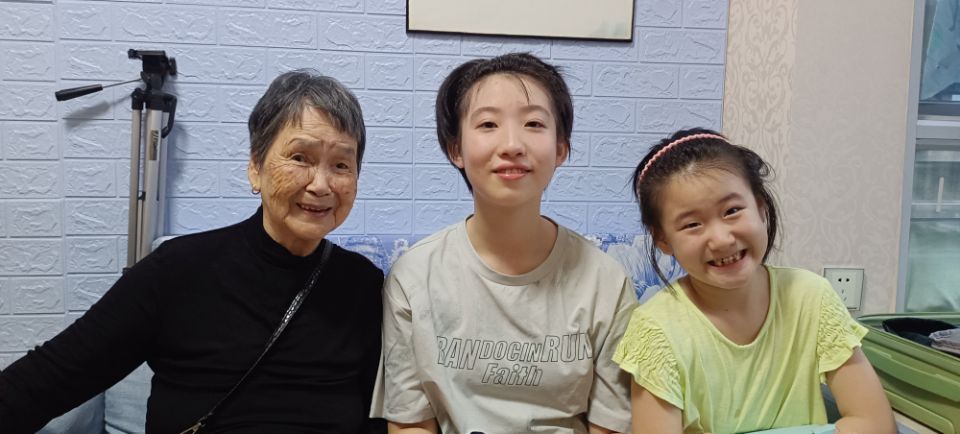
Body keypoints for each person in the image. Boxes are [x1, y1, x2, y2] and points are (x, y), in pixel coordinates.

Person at [0, 70, 386, 434]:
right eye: (300, 158)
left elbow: (381, 417)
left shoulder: (362, 285)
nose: (321, 185)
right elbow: (46, 381)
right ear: (256, 166)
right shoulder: (177, 271)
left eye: (341, 165)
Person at [372, 53, 636, 434]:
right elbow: (410, 424)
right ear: (456, 150)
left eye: (533, 124)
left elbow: (610, 426)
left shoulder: (605, 281)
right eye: (488, 124)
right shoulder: (413, 278)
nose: (512, 144)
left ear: (561, 149)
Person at [613, 129, 896, 434]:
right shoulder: (655, 329)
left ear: (761, 208)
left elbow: (876, 424)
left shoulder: (811, 298)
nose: (722, 240)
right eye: (692, 224)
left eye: (732, 211)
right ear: (663, 240)